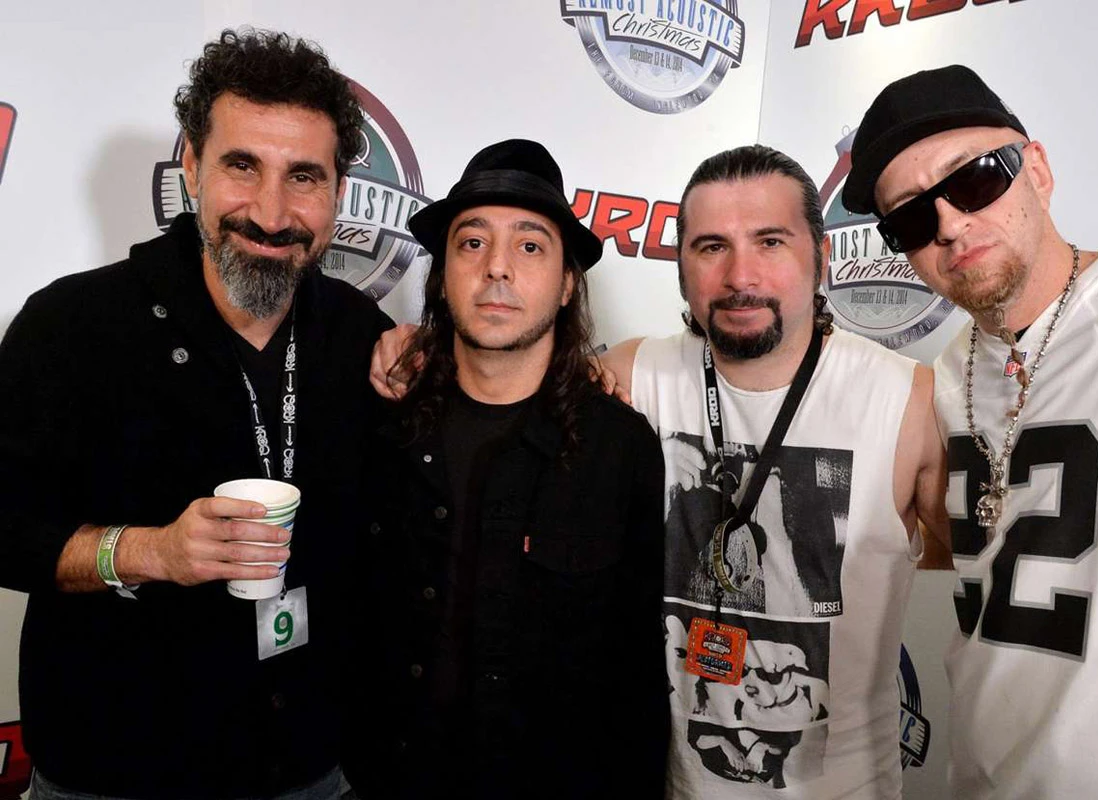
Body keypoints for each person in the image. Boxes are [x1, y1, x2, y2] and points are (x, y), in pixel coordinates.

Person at [0, 29, 391, 799]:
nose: (271, 214)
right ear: (191, 167)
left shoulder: (362, 336)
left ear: (338, 193)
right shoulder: (70, 326)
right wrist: (148, 552)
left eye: (303, 176)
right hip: (112, 776)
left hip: (310, 771)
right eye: (243, 166)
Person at [842, 64, 1098, 798]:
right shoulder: (945, 377)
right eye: (911, 218)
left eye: (974, 180)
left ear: (1037, 169)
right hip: (977, 776)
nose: (949, 223)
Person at [600, 145, 948, 797]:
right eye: (711, 247)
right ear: (681, 267)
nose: (741, 274)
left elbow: (984, 565)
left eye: (770, 241)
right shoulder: (630, 377)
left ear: (820, 256)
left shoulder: (907, 402)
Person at [343, 139, 668, 799]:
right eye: (471, 243)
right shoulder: (384, 425)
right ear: (441, 274)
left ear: (567, 282)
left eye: (529, 246)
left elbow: (635, 670)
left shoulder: (619, 446)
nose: (497, 267)